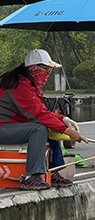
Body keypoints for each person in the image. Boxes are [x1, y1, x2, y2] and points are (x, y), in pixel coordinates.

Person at [0, 50, 85, 190]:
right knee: (38, 129)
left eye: (50, 69)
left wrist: (63, 119)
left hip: (11, 126)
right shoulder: (20, 86)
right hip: (3, 127)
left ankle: (52, 171)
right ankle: (32, 176)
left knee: (49, 126)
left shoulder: (28, 84)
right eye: (45, 69)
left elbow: (40, 111)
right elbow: (39, 115)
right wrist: (67, 131)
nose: (48, 73)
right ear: (34, 68)